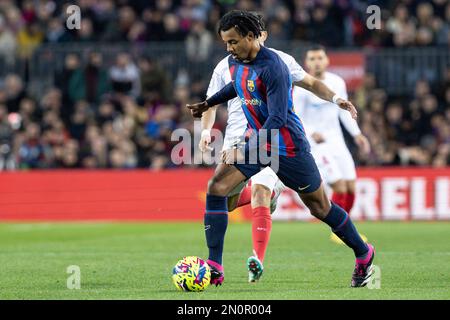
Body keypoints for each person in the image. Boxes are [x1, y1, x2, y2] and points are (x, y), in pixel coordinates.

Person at [187, 10, 375, 288]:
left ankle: (364, 253)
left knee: (320, 207)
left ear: (251, 37)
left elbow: (276, 119)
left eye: (233, 42)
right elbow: (235, 86)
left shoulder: (275, 67)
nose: (228, 48)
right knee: (217, 189)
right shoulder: (234, 61)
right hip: (259, 141)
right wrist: (208, 104)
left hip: (288, 146)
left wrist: (243, 149)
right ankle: (215, 266)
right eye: (226, 42)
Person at [199, 14, 299, 282]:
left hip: (268, 138)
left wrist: (336, 99)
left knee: (261, 192)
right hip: (234, 140)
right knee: (225, 199)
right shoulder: (225, 66)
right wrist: (207, 131)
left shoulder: (282, 61)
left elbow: (309, 83)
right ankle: (265, 199)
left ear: (259, 36)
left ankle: (256, 259)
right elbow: (210, 103)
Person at [293, 45, 371, 242]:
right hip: (317, 145)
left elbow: (342, 111)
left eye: (320, 57)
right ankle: (338, 231)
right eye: (312, 58)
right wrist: (311, 132)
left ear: (327, 60)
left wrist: (357, 134)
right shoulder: (302, 87)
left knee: (352, 186)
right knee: (339, 186)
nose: (317, 62)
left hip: (337, 141)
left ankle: (346, 228)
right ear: (306, 63)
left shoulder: (337, 82)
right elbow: (296, 116)